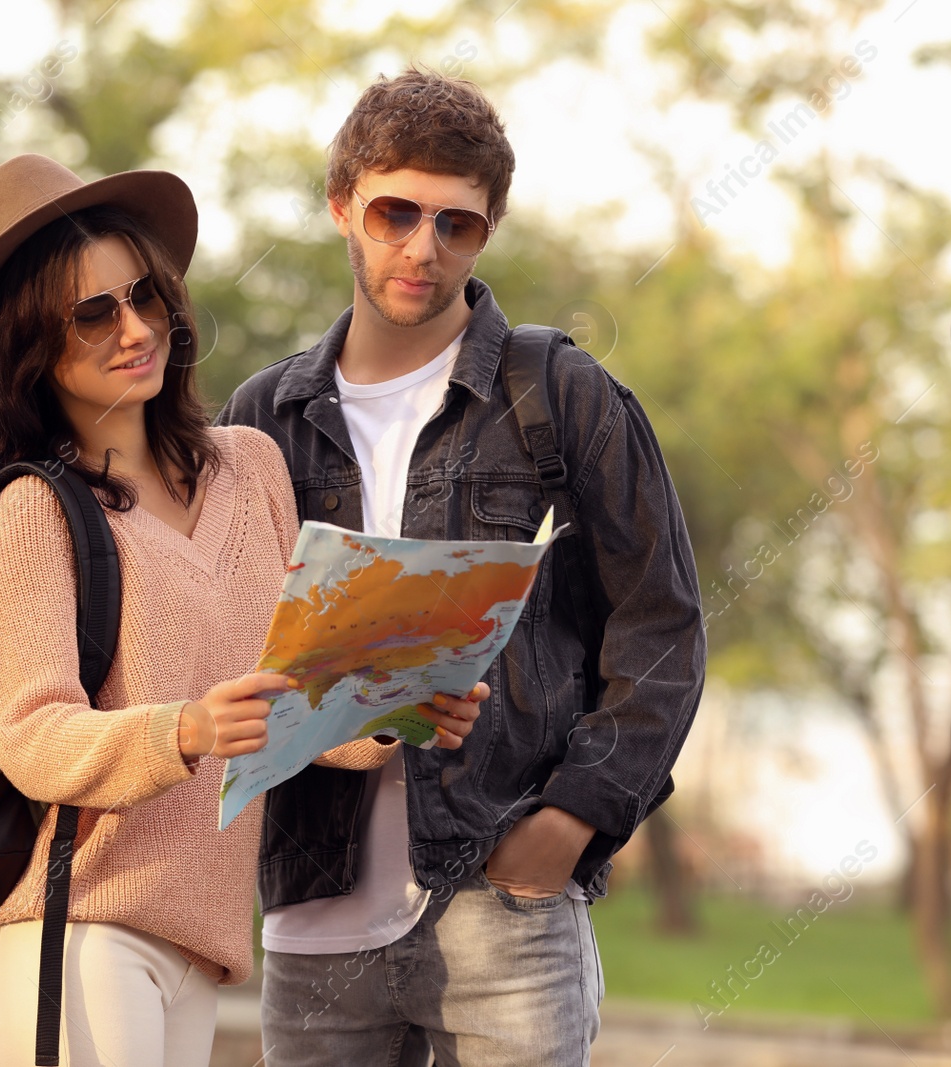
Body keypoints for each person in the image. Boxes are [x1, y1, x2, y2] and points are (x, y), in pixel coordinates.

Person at [0, 153, 488, 1067]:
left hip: (201, 942)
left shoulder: (249, 466)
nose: (135, 326)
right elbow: (29, 734)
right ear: (26, 344)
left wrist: (396, 708)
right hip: (71, 929)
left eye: (145, 295)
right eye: (93, 312)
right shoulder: (35, 509)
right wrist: (184, 729)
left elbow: (290, 692)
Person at [216, 70, 707, 1066]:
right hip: (313, 917)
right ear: (341, 206)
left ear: (489, 228)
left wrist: (572, 818)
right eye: (395, 212)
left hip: (504, 898)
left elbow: (661, 622)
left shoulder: (556, 391)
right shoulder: (259, 417)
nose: (421, 247)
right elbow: (216, 634)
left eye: (457, 224)